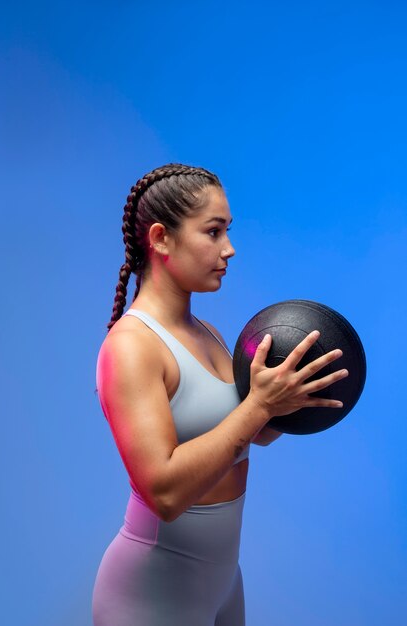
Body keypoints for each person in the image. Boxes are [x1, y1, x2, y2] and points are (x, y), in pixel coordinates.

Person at [92, 163, 348, 626]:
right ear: (161, 238)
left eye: (228, 231)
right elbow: (164, 494)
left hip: (224, 583)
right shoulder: (131, 348)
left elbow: (248, 434)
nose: (229, 249)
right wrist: (259, 406)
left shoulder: (206, 332)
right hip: (153, 594)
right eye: (213, 232)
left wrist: (296, 393)